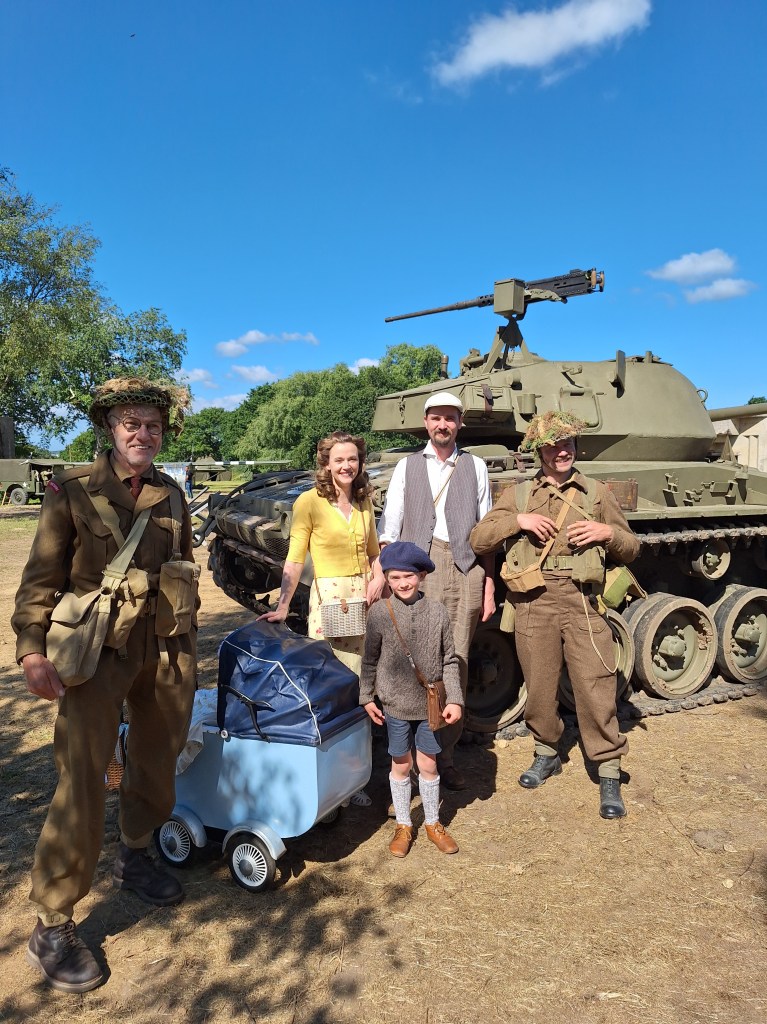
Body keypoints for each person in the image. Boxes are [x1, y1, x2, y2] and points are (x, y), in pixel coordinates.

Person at [12, 377, 197, 993]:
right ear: (110, 430)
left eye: (152, 425)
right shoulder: (70, 491)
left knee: (157, 756)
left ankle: (136, 852)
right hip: (94, 650)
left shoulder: (172, 494)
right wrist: (32, 648)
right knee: (82, 772)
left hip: (163, 646)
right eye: (131, 424)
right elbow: (41, 575)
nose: (142, 434)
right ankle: (54, 919)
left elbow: (182, 567)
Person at [469, 411, 640, 819]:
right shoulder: (520, 494)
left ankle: (608, 768)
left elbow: (632, 547)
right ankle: (547, 751)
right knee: (540, 687)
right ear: (540, 452)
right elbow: (478, 539)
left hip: (583, 601)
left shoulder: (596, 493)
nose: (561, 452)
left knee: (596, 685)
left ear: (575, 449)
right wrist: (517, 521)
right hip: (535, 602)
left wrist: (608, 534)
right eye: (552, 446)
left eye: (567, 445)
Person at [377, 392, 495, 791]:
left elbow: (484, 531)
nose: (442, 424)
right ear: (425, 423)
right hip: (414, 570)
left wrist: (489, 581)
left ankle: (444, 755)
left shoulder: (475, 466)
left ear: (460, 423)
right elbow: (390, 525)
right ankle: (405, 761)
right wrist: (387, 571)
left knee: (455, 660)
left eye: (450, 418)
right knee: (409, 659)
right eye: (436, 418)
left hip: (463, 567)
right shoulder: (406, 466)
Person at [258, 430, 383, 804]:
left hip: (364, 599)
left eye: (353, 459)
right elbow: (295, 558)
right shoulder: (308, 502)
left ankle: (358, 774)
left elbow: (374, 551)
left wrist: (378, 578)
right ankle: (334, 778)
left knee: (363, 684)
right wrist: (283, 604)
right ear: (326, 464)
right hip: (328, 601)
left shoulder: (363, 501)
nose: (346, 466)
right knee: (332, 687)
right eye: (339, 459)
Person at [360, 541, 463, 857]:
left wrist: (455, 699)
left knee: (429, 764)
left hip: (429, 707)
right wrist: (367, 697)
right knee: (401, 764)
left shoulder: (438, 612)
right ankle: (404, 824)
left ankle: (432, 822)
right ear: (386, 579)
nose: (402, 584)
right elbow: (369, 659)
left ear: (421, 575)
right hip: (394, 706)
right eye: (394, 578)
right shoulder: (379, 613)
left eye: (408, 576)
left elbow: (450, 660)